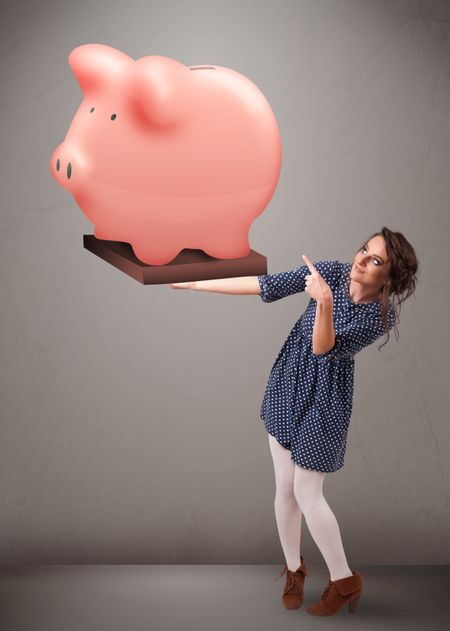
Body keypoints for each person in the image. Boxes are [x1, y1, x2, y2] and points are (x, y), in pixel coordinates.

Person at [168, 226, 419, 616]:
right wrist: (197, 283)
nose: (360, 260)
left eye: (375, 260)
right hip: (290, 383)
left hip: (325, 403)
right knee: (285, 490)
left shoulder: (379, 317)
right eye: (364, 250)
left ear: (390, 276)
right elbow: (264, 285)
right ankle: (294, 569)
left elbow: (324, 348)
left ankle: (344, 580)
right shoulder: (332, 272)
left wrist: (324, 304)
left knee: (308, 494)